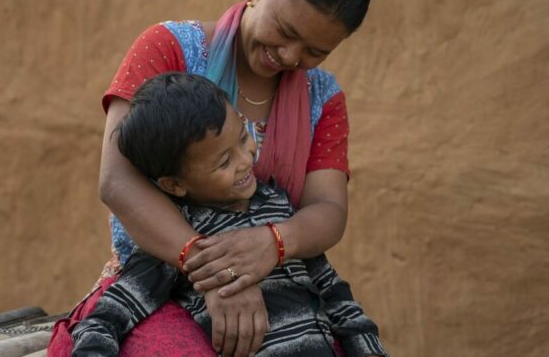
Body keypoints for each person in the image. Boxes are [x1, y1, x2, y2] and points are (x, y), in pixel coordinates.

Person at [49, 0, 373, 357]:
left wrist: (275, 242)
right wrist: (215, 272)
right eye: (287, 32)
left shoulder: (323, 97)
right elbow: (117, 180)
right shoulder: (169, 49)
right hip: (157, 284)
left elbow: (328, 210)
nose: (290, 55)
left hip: (281, 285)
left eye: (315, 52)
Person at [72, 73, 387, 357]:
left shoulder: (278, 208)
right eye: (223, 163)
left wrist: (368, 348)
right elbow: (109, 316)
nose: (245, 160)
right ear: (175, 184)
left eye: (243, 137)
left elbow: (333, 291)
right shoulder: (183, 245)